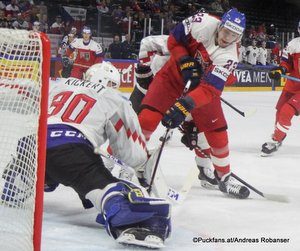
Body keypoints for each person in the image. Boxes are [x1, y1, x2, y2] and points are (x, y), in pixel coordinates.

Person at [2, 62, 171, 248]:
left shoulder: (60, 84)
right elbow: (131, 153)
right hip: (69, 149)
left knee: (48, 166)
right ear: (111, 83)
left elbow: (22, 94)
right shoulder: (115, 98)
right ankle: (131, 217)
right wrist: (142, 166)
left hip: (32, 144)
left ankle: (18, 181)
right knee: (108, 188)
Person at [138, 8, 250, 199]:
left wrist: (184, 106)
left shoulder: (230, 56)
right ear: (220, 26)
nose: (227, 38)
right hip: (172, 75)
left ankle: (224, 176)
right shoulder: (202, 22)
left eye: (233, 35)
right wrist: (184, 60)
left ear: (239, 37)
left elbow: (210, 90)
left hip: (202, 87)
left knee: (217, 132)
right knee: (147, 119)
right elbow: (174, 39)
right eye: (225, 31)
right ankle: (134, 163)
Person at [129, 34, 218, 189]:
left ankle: (204, 167)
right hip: (151, 87)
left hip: (181, 92)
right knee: (137, 126)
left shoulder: (212, 54)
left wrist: (190, 125)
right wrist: (144, 70)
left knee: (199, 131)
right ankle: (126, 164)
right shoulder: (179, 42)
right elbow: (146, 42)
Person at [261, 21, 300, 156]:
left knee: (286, 111)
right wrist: (281, 69)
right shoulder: (294, 44)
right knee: (279, 111)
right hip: (292, 84)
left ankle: (276, 139)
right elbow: (287, 62)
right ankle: (279, 136)